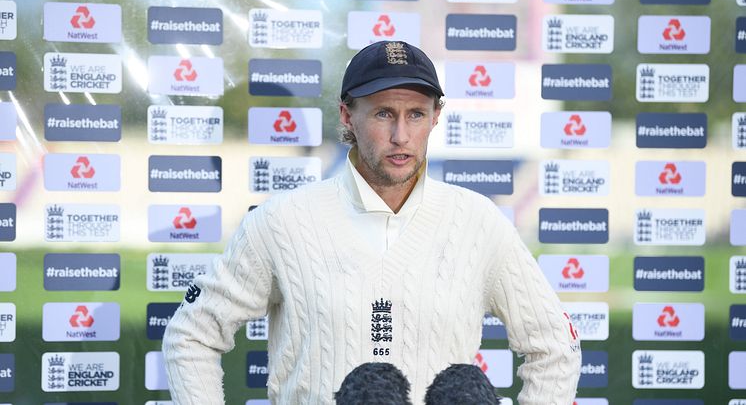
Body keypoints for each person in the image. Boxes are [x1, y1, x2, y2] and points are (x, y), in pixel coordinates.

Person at [162, 40, 581, 405]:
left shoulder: (478, 221)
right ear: (347, 116)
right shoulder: (281, 221)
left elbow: (555, 346)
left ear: (436, 117)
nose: (401, 135)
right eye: (383, 114)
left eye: (416, 114)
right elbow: (192, 335)